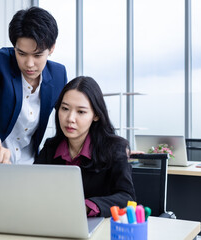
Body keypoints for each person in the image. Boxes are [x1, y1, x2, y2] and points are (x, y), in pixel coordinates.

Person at [0, 7, 67, 164]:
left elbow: (69, 114)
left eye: (37, 55)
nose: (29, 64)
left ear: (52, 48)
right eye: (21, 53)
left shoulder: (58, 74)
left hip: (27, 166)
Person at [34, 76, 136, 217]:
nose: (70, 118)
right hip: (55, 222)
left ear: (96, 115)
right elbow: (33, 190)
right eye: (65, 108)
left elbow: (127, 198)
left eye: (81, 112)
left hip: (99, 228)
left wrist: (88, 207)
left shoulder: (114, 148)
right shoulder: (50, 148)